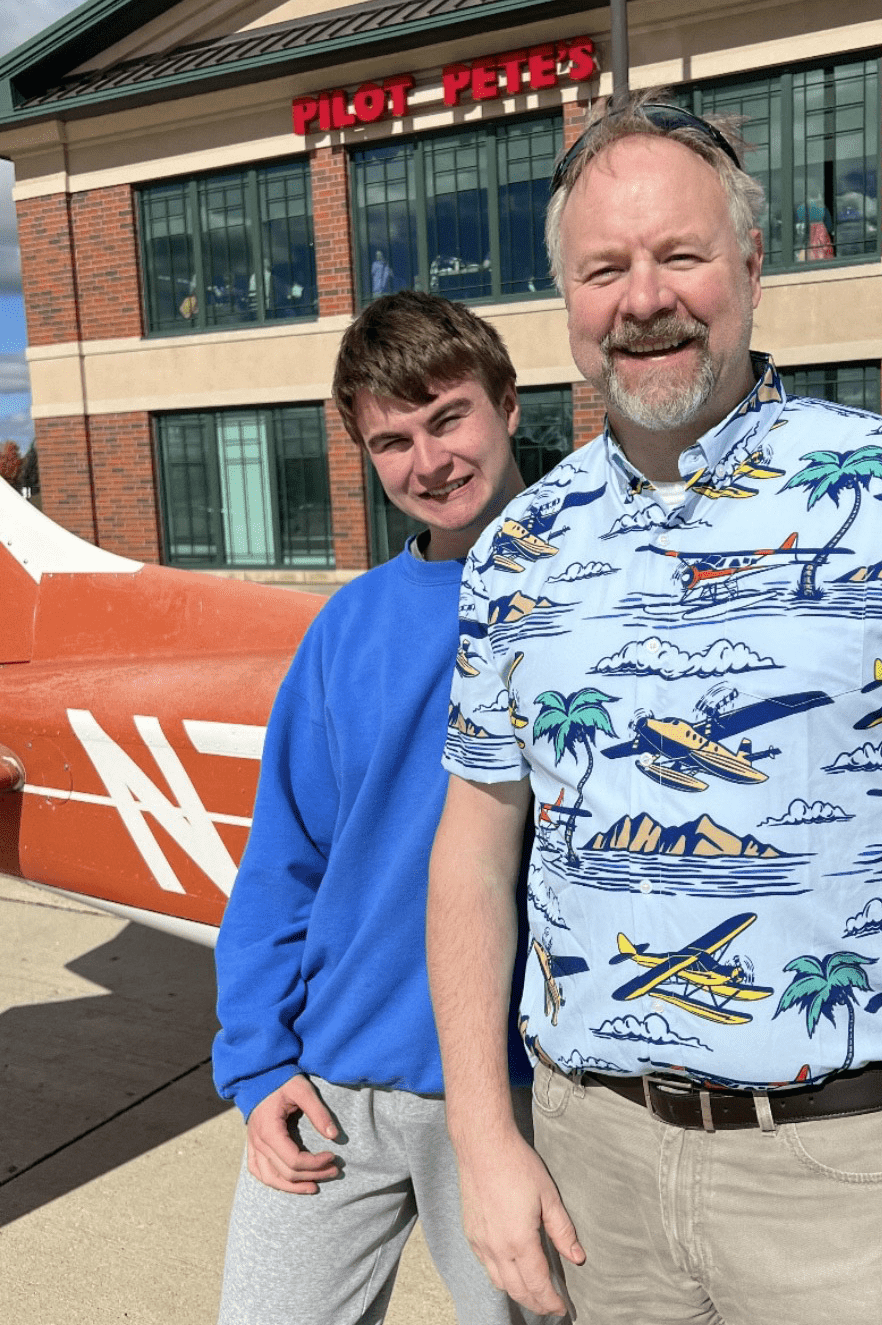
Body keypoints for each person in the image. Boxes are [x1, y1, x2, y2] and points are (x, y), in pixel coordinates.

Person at [427, 95, 882, 1325]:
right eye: (604, 268)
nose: (643, 298)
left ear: (752, 264)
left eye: (680, 255)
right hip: (592, 1167)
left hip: (847, 1187)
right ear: (568, 303)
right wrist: (484, 1136)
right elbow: (474, 848)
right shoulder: (515, 547)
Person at [213, 290, 541, 1325]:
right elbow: (283, 863)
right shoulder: (346, 627)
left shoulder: (597, 579)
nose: (428, 460)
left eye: (448, 417)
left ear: (509, 403)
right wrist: (258, 1059)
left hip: (519, 1093)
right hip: (334, 1084)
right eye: (391, 440)